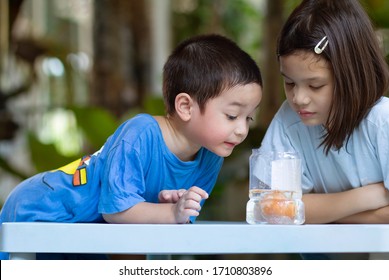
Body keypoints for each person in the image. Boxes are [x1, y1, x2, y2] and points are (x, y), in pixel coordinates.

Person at [0, 34, 263, 259]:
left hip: (83, 232)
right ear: (185, 106)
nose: (242, 129)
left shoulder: (211, 156)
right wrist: (170, 211)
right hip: (43, 209)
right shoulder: (140, 134)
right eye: (232, 116)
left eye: (248, 118)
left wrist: (169, 208)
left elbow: (176, 221)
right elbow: (117, 211)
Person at [258, 0, 389, 259]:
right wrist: (370, 196)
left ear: (353, 74)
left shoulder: (383, 120)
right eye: (289, 83)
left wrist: (317, 212)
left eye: (315, 86)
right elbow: (270, 209)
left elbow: (292, 211)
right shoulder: (289, 120)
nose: (299, 99)